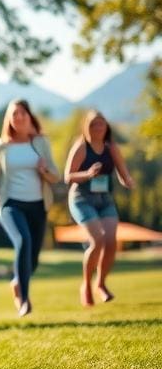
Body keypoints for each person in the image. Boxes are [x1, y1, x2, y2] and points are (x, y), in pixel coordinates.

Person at [0, 99, 60, 317]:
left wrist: (45, 170)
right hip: (10, 204)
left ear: (29, 116)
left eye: (22, 113)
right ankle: (24, 300)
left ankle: (17, 282)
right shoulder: (1, 145)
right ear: (9, 119)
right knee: (22, 241)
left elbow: (56, 175)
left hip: (38, 205)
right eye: (14, 114)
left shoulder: (41, 143)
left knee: (33, 259)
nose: (18, 117)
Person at [65, 110, 134, 307]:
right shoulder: (81, 147)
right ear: (87, 127)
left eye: (101, 124)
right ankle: (86, 284)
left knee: (111, 242)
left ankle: (101, 284)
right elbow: (68, 177)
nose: (98, 128)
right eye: (94, 124)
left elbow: (122, 172)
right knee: (98, 240)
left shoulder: (110, 147)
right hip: (82, 199)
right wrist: (87, 173)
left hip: (105, 200)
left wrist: (127, 180)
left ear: (106, 127)